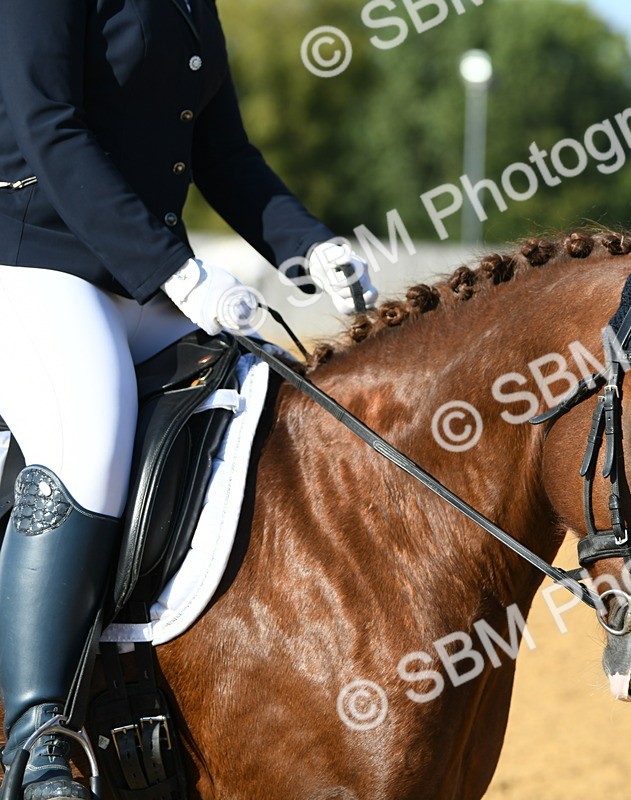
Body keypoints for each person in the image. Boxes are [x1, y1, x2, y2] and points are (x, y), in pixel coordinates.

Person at [0, 0, 378, 795]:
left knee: (268, 408)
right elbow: (49, 125)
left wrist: (310, 248)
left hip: (141, 284)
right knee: (88, 438)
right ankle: (36, 741)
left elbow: (222, 151)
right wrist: (177, 270)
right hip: (35, 264)